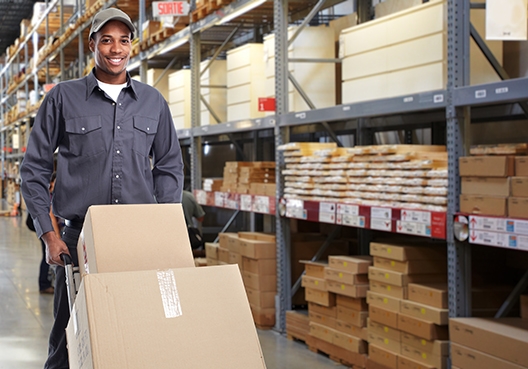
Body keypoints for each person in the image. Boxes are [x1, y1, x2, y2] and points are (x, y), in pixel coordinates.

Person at [20, 8, 184, 369]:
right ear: (92, 43)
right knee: (69, 339)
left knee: (135, 336)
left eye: (123, 40)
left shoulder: (153, 102)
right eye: (106, 40)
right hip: (78, 242)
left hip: (137, 239)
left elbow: (170, 166)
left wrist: (164, 225)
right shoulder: (62, 98)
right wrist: (49, 235)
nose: (115, 48)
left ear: (131, 46)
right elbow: (33, 169)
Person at [27, 173, 61, 294]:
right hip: (48, 230)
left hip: (47, 229)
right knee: (49, 255)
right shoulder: (50, 196)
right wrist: (55, 237)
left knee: (47, 256)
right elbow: (51, 216)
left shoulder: (53, 194)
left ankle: (45, 282)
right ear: (52, 183)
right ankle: (44, 284)